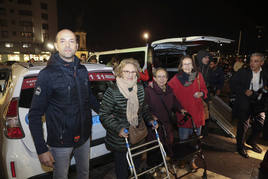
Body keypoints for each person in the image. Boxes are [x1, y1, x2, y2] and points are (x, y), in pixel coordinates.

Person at [28, 29, 100, 179]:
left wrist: (106, 111)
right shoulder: (47, 75)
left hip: (84, 137)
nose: (67, 45)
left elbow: (90, 98)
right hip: (60, 143)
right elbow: (34, 115)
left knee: (84, 174)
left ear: (76, 46)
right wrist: (42, 149)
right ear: (56, 45)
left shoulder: (82, 70)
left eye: (71, 41)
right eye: (63, 41)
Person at [99, 58, 156, 179]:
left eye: (133, 72)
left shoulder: (140, 88)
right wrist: (118, 128)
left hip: (137, 136)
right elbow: (104, 114)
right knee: (122, 171)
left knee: (135, 168)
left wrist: (150, 120)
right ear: (120, 72)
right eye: (126, 71)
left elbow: (143, 109)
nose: (130, 75)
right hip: (120, 140)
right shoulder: (112, 91)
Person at [168, 55, 208, 169]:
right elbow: (167, 91)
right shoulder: (176, 79)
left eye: (189, 63)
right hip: (184, 116)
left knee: (195, 142)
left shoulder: (198, 76)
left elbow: (205, 90)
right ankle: (182, 160)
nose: (187, 66)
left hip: (197, 114)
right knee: (184, 141)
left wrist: (202, 94)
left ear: (193, 65)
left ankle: (192, 161)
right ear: (181, 66)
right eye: (184, 64)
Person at [230, 52, 268, 158]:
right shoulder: (243, 72)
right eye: (251, 61)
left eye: (256, 61)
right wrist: (243, 90)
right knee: (243, 126)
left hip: (259, 104)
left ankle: (251, 141)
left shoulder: (265, 74)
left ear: (262, 62)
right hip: (245, 102)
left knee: (260, 123)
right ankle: (240, 146)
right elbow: (232, 84)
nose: (252, 63)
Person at [145, 67, 186, 160]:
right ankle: (153, 168)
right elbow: (144, 108)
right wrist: (151, 117)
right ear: (154, 78)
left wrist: (181, 109)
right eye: (159, 76)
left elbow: (174, 101)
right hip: (154, 125)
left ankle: (165, 165)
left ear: (167, 79)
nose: (162, 79)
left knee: (168, 144)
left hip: (167, 124)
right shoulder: (148, 91)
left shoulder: (169, 90)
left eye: (164, 76)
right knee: (155, 147)